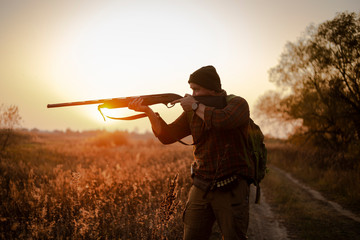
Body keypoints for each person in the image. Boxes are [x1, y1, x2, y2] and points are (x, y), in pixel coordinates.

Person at [128, 65, 253, 240]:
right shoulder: (193, 112)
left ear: (213, 89)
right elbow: (167, 136)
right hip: (201, 186)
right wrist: (148, 111)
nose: (192, 94)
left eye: (197, 89)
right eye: (191, 89)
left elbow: (223, 120)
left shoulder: (237, 104)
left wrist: (194, 106)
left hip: (231, 186)